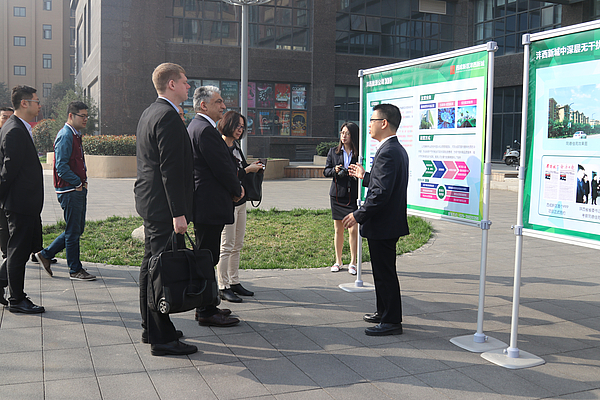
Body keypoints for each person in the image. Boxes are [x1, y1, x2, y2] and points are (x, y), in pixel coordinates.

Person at [134, 62, 197, 356]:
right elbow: (169, 169)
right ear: (171, 84)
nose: (188, 86)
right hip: (162, 206)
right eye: (184, 81)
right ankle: (161, 338)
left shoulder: (150, 112)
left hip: (151, 202)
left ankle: (152, 326)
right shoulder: (168, 116)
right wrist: (178, 213)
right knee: (159, 270)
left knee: (151, 265)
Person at [342, 103, 409, 336]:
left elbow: (381, 193)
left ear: (384, 123)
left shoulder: (389, 151)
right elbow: (384, 184)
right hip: (386, 223)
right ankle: (384, 312)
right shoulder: (393, 148)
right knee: (381, 273)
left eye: (372, 120)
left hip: (384, 223)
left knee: (385, 274)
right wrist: (365, 176)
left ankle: (391, 321)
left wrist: (358, 215)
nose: (369, 125)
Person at [188, 86, 243, 326]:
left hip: (206, 203)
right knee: (206, 257)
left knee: (207, 255)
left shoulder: (197, 127)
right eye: (218, 102)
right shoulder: (205, 130)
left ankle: (208, 305)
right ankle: (205, 311)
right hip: (209, 204)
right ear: (204, 105)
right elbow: (221, 167)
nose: (223, 106)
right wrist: (237, 189)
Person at [35, 102, 96, 281]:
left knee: (76, 229)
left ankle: (46, 254)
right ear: (71, 116)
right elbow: (61, 166)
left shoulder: (75, 134)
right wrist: (77, 182)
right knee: (73, 231)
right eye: (82, 116)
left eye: (86, 116)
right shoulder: (66, 135)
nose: (85, 119)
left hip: (76, 189)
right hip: (69, 190)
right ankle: (74, 269)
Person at [0, 86, 45, 313]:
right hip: (20, 203)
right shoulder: (15, 130)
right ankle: (17, 299)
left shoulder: (18, 127)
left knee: (21, 249)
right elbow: (8, 171)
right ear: (24, 103)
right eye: (36, 101)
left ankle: (1, 282)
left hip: (25, 202)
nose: (40, 105)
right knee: (18, 252)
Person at [216, 111, 263, 303]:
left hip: (241, 201)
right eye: (237, 125)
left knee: (237, 244)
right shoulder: (220, 146)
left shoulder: (235, 146)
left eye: (243, 127)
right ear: (227, 124)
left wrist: (252, 168)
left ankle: (234, 281)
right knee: (226, 245)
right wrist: (247, 169)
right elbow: (227, 175)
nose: (240, 130)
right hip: (227, 202)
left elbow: (240, 170)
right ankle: (222, 285)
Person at [323, 122, 359, 275]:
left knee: (353, 229)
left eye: (347, 133)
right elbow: (326, 171)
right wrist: (335, 170)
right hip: (337, 195)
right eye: (342, 133)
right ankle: (338, 261)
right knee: (338, 230)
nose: (344, 136)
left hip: (353, 195)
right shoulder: (334, 152)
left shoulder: (359, 153)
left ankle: (353, 262)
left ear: (353, 136)